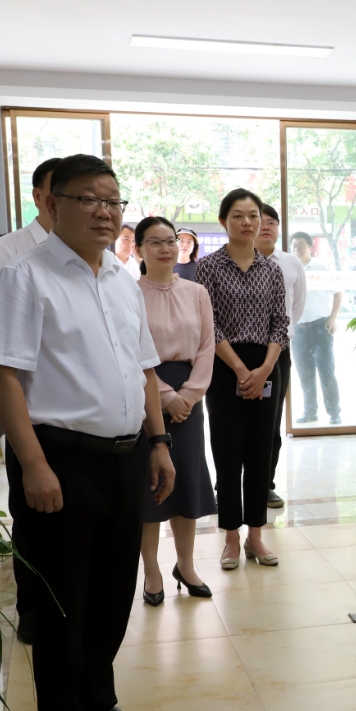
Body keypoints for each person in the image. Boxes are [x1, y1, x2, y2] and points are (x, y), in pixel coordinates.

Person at [0, 153, 175, 711]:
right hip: (60, 457)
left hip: (125, 455)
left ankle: (98, 706)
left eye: (113, 201)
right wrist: (34, 462)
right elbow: (1, 374)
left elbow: (145, 368)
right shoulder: (25, 276)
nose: (103, 211)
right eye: (88, 198)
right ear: (52, 204)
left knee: (114, 591)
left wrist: (158, 442)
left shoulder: (121, 279)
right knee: (62, 601)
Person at [0, 156, 62, 648]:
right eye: (65, 193)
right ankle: (32, 608)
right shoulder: (9, 251)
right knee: (32, 516)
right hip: (31, 412)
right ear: (40, 198)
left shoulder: (96, 259)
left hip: (81, 418)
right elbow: (0, 337)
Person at [195, 189, 289, 570]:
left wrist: (264, 369)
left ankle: (256, 536)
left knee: (261, 452)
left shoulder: (272, 269)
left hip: (267, 365)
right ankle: (231, 538)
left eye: (253, 215)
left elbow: (280, 323)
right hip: (224, 367)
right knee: (228, 451)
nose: (247, 222)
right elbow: (210, 325)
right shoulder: (208, 267)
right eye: (238, 215)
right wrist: (238, 369)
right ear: (224, 221)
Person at [136, 216, 217, 604]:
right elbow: (132, 352)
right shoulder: (129, 293)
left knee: (186, 482)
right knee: (150, 484)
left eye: (170, 240)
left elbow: (207, 346)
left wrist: (191, 394)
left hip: (190, 397)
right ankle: (152, 571)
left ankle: (186, 564)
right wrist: (166, 395)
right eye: (154, 242)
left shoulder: (197, 292)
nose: (165, 248)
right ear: (139, 249)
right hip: (145, 392)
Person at [256, 205, 306, 509]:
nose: (266, 226)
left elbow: (296, 306)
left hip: (278, 352)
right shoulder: (232, 262)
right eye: (260, 221)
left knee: (271, 421)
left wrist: (279, 339)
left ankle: (265, 485)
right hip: (236, 352)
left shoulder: (290, 263)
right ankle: (227, 486)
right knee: (233, 423)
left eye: (272, 222)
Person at [0, 157, 61, 295]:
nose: (69, 202)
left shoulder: (88, 249)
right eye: (60, 193)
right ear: (38, 197)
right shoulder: (6, 249)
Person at [290, 231, 343, 425]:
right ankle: (310, 412)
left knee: (326, 371)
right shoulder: (289, 270)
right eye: (294, 245)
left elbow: (338, 294)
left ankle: (334, 412)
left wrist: (332, 318)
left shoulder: (321, 269)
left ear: (310, 247)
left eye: (301, 245)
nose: (297, 249)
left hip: (320, 327)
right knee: (305, 374)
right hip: (298, 330)